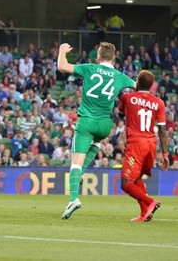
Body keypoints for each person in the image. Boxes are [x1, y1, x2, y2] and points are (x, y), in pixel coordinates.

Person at [57, 42, 135, 220]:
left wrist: (62, 51)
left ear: (98, 57)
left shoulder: (90, 68)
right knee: (95, 143)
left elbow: (62, 66)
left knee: (75, 162)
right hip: (106, 126)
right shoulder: (119, 76)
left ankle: (73, 199)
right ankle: (82, 172)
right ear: (114, 58)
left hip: (86, 122)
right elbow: (139, 86)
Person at [119, 70, 169, 222]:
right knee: (137, 179)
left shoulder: (127, 97)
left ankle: (150, 202)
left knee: (125, 184)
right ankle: (144, 214)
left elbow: (121, 114)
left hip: (136, 144)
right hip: (151, 144)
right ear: (152, 86)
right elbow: (162, 129)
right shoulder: (158, 102)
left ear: (137, 83)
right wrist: (165, 154)